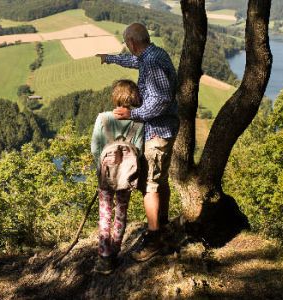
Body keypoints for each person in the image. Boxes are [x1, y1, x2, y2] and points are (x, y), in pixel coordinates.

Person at [96, 22, 178, 262]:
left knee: (150, 186)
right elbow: (134, 62)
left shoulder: (151, 61)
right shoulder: (152, 54)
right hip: (165, 129)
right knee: (159, 181)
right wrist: (110, 58)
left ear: (132, 42)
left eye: (127, 44)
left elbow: (161, 100)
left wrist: (133, 114)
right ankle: (161, 224)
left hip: (158, 132)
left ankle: (155, 239)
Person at [91, 79, 144, 274]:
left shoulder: (103, 118)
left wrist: (103, 169)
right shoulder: (138, 122)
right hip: (126, 177)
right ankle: (115, 252)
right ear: (134, 97)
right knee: (121, 212)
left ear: (115, 97)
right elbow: (138, 151)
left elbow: (95, 148)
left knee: (105, 213)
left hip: (106, 176)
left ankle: (104, 258)